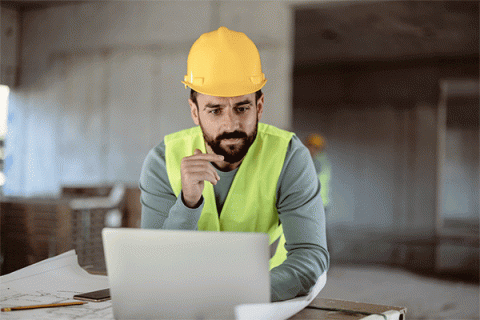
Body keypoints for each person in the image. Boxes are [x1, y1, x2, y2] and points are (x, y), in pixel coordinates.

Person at [139, 26, 329, 302]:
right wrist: (188, 203)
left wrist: (241, 293)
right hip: (184, 299)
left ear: (259, 106)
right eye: (215, 110)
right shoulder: (162, 161)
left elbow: (310, 256)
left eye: (242, 108)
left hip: (265, 297)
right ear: (195, 112)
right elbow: (154, 266)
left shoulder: (289, 157)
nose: (230, 124)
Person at [305, 133, 332, 212]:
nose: (308, 149)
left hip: (316, 202)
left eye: (310, 146)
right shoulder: (322, 159)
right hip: (319, 201)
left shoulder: (317, 161)